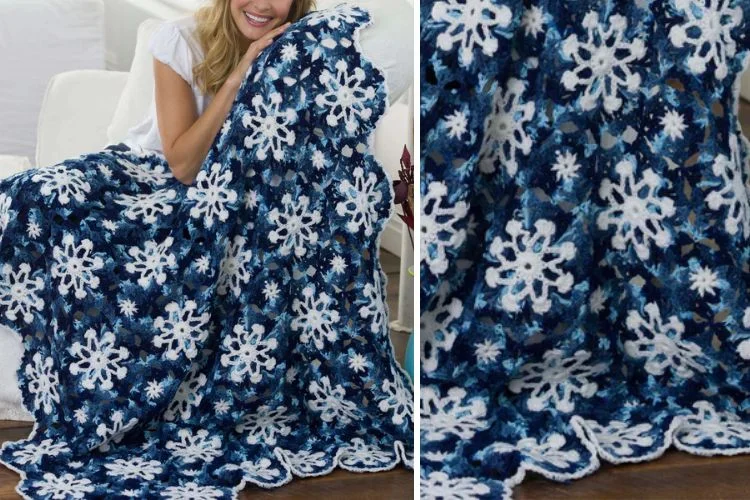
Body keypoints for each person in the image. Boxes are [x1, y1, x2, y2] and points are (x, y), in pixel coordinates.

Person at [123, 0, 316, 185]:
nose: (261, 5)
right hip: (152, 172)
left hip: (233, 186)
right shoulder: (179, 40)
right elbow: (183, 169)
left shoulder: (305, 48)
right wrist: (237, 79)